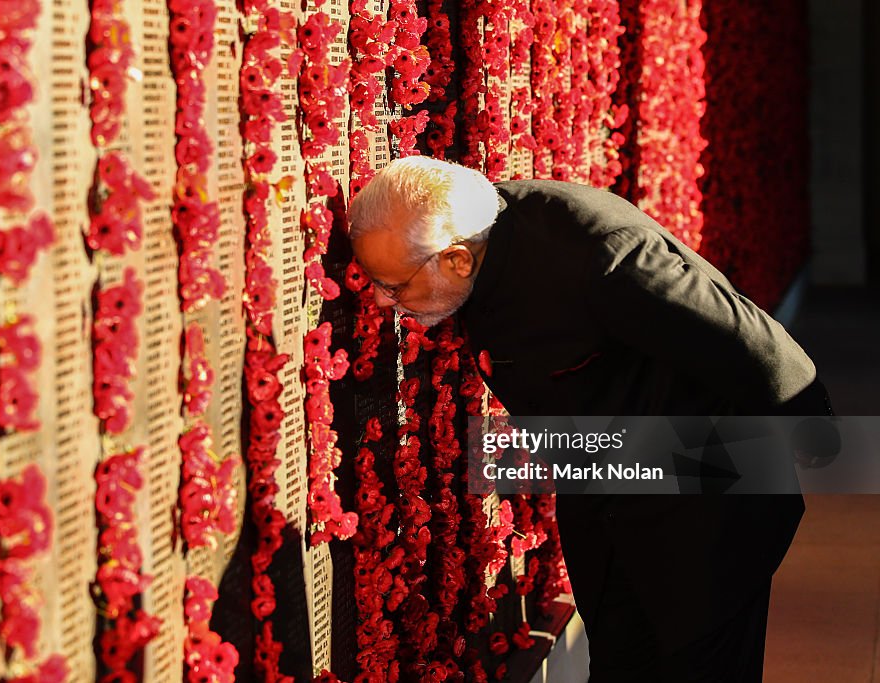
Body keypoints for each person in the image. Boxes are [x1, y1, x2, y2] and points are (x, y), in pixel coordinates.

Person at [348, 156, 833, 682]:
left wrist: (813, 433)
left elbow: (748, 341)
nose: (382, 301)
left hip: (709, 503)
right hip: (611, 498)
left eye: (394, 286)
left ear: (458, 260)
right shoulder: (480, 241)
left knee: (700, 665)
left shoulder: (598, 256)